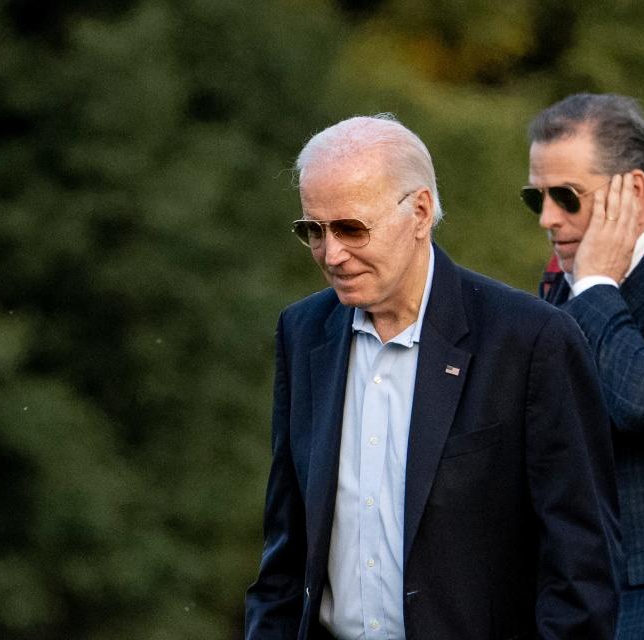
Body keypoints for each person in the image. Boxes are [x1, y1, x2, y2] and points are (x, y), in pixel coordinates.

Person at [245, 114, 621, 640]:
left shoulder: (530, 340)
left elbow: (582, 566)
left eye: (352, 228)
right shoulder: (303, 331)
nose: (332, 254)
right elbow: (285, 551)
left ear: (419, 211)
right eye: (314, 230)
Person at [525, 93, 644, 639]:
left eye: (566, 196)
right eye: (534, 197)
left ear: (633, 189)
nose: (547, 218)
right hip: (571, 599)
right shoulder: (567, 283)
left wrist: (597, 284)